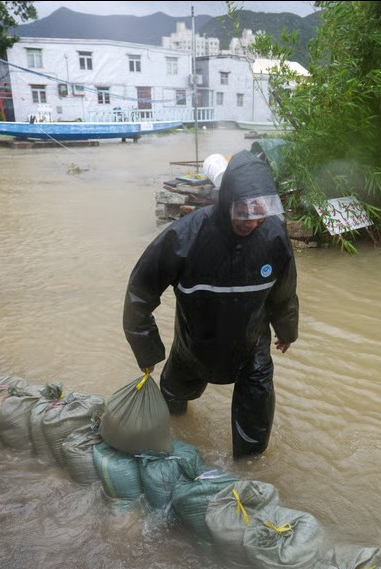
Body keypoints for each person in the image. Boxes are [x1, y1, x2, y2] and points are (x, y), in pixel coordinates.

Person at [123, 150, 299, 459]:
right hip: (195, 346)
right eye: (243, 209)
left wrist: (286, 331)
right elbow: (140, 292)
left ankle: (248, 475)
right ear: (226, 198)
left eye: (260, 209)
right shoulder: (184, 237)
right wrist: (147, 350)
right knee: (173, 404)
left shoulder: (273, 237)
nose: (252, 219)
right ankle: (173, 442)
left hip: (251, 349)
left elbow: (284, 292)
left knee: (255, 432)